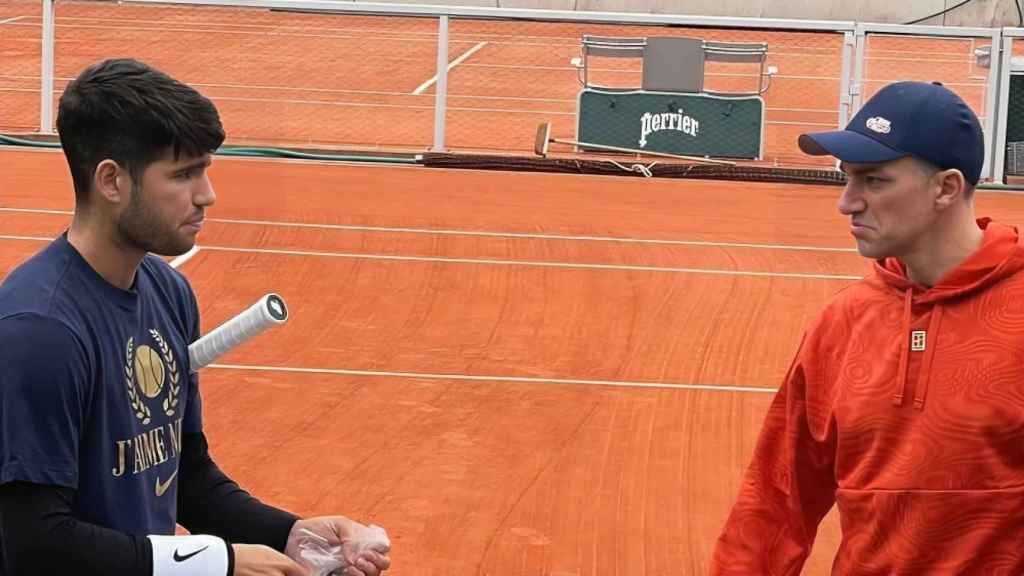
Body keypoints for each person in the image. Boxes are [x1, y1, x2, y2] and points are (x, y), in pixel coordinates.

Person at [0, 58, 391, 576]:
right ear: (112, 181)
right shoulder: (40, 331)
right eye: (184, 174)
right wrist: (215, 561)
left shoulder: (170, 293)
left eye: (205, 169)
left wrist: (290, 535)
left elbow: (185, 475)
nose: (207, 194)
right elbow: (35, 542)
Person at [710, 80, 1024, 574]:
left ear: (946, 188)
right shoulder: (844, 321)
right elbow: (776, 497)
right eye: (848, 178)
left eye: (874, 181)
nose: (847, 202)